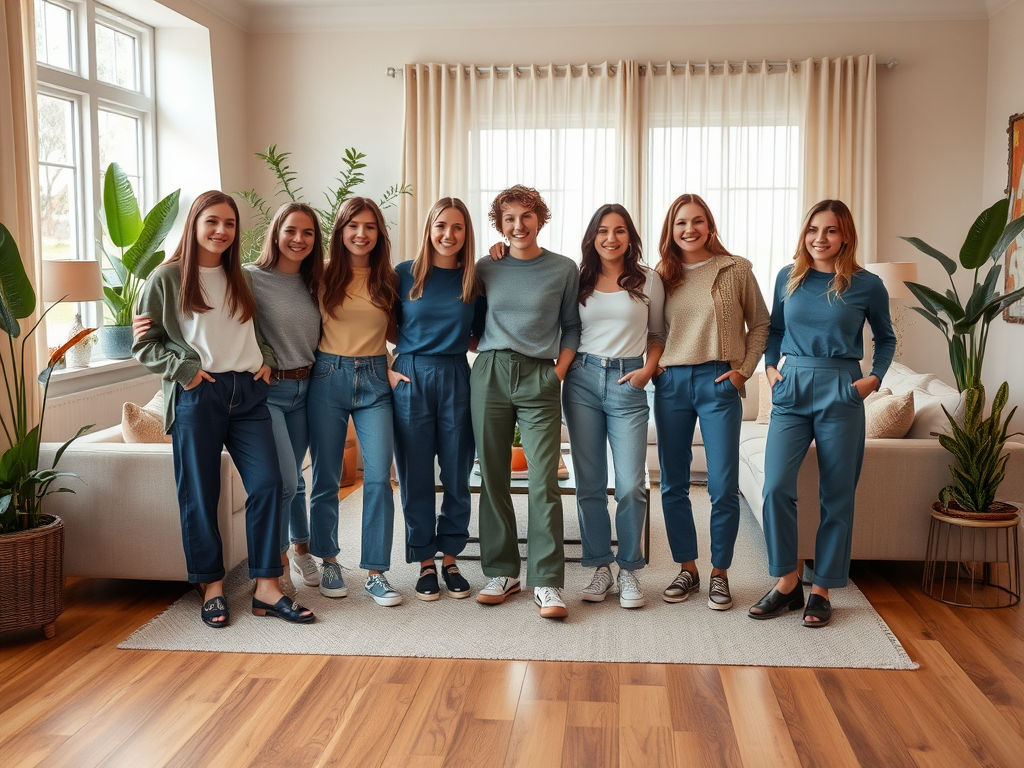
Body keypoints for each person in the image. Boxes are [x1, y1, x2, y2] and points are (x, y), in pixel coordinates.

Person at [133, 190, 315, 626]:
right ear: (195, 224)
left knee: (269, 485)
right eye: (212, 221)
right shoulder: (167, 277)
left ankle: (267, 588)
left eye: (229, 224)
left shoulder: (242, 277)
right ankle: (211, 586)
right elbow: (143, 343)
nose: (221, 231)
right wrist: (187, 372)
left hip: (250, 393)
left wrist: (267, 362)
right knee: (199, 493)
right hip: (200, 393)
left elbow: (255, 331)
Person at [750, 199, 895, 627]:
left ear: (845, 235)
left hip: (841, 387)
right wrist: (771, 368)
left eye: (830, 231)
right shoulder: (787, 277)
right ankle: (787, 582)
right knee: (776, 486)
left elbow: (885, 339)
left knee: (837, 494)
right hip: (791, 386)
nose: (819, 238)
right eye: (813, 229)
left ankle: (822, 589)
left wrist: (874, 380)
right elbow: (774, 330)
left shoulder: (867, 285)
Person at [654, 193, 770, 611]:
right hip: (671, 382)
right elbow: (650, 329)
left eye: (697, 221)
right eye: (681, 222)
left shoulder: (735, 269)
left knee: (722, 486)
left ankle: (720, 574)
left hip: (719, 380)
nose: (690, 229)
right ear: (671, 228)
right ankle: (688, 568)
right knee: (673, 483)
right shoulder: (660, 275)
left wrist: (743, 371)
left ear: (710, 224)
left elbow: (761, 325)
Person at [471, 184, 581, 619]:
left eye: (526, 216)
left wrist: (556, 372)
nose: (518, 225)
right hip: (492, 370)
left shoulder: (563, 268)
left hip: (541, 373)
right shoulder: (485, 266)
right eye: (510, 218)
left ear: (540, 219)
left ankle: (548, 582)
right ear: (500, 224)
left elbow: (571, 326)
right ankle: (502, 571)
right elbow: (468, 320)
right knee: (493, 475)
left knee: (543, 480)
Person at [562, 204, 665, 608]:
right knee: (589, 484)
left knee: (631, 485)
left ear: (629, 236)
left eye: (619, 230)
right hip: (582, 380)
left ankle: (629, 571)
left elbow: (657, 334)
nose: (611, 238)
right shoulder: (577, 278)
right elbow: (567, 330)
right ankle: (600, 567)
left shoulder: (649, 280)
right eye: (603, 230)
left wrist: (647, 371)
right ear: (592, 236)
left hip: (628, 381)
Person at [307, 197, 404, 606]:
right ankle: (328, 559)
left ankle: (376, 572)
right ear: (340, 231)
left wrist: (394, 365)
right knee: (326, 477)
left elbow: (404, 331)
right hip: (327, 376)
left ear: (379, 233)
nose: (361, 234)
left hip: (375, 379)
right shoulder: (320, 275)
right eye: (352, 226)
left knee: (379, 476)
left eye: (369, 226)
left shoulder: (389, 280)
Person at [390, 198, 485, 601]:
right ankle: (425, 560)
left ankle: (450, 556)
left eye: (458, 227)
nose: (449, 234)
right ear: (429, 229)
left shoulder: (473, 281)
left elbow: (478, 337)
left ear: (467, 234)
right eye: (441, 226)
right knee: (414, 475)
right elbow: (386, 326)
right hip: (411, 375)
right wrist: (397, 364)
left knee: (457, 472)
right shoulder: (403, 273)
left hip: (455, 375)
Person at [247, 203, 324, 589]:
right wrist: (151, 319)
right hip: (269, 392)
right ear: (276, 232)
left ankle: (301, 550)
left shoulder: (317, 281)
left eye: (308, 233)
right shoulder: (249, 277)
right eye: (291, 230)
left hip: (309, 389)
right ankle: (275, 563)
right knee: (286, 480)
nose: (299, 239)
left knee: (299, 479)